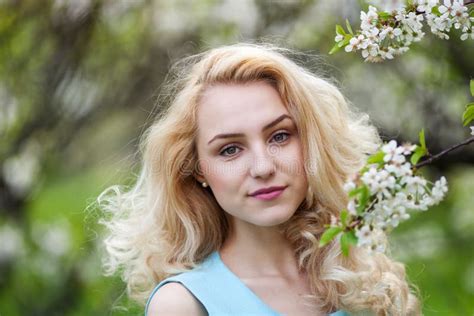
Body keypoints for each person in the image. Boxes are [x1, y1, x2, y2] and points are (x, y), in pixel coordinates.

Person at [99, 43, 420, 315]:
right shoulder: (184, 304)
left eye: (280, 136)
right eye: (229, 150)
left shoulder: (354, 275)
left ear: (310, 140)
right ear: (198, 169)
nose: (263, 166)